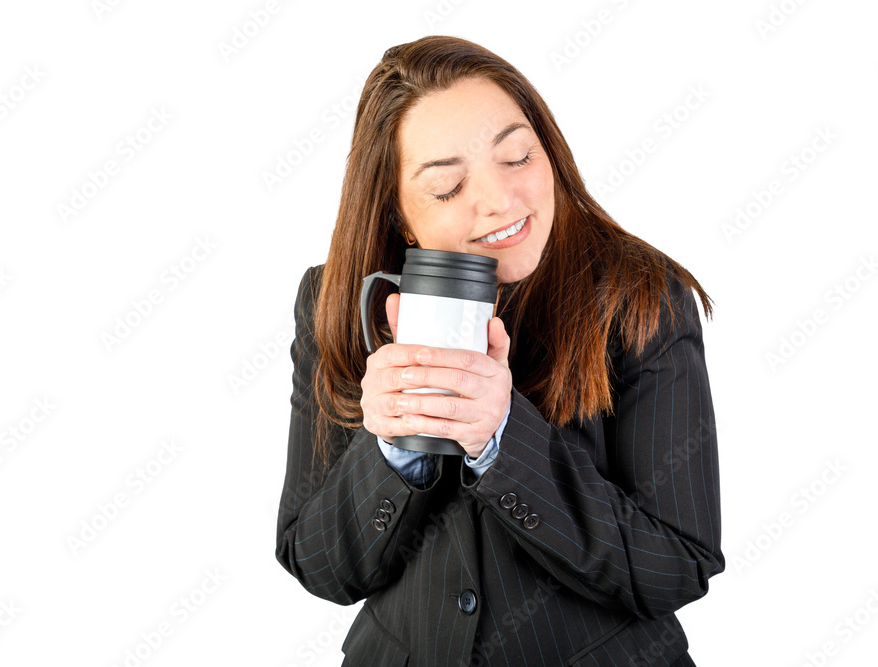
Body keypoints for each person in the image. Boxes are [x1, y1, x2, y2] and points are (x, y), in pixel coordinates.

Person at [276, 35, 724, 666]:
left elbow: (677, 566)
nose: (500, 201)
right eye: (447, 186)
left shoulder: (642, 297)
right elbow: (319, 567)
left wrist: (504, 438)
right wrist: (394, 446)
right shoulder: (335, 300)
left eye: (517, 157)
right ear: (399, 215)